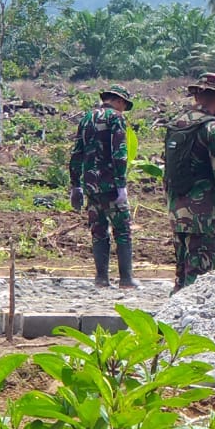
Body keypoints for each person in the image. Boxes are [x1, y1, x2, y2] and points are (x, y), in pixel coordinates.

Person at [164, 72, 215, 290]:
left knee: (181, 278)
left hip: (177, 215)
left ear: (197, 95)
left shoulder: (175, 125)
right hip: (204, 219)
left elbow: (167, 172)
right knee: (201, 286)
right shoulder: (214, 129)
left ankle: (169, 323)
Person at [69, 84, 137, 288]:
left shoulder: (86, 119)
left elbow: (76, 154)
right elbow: (119, 152)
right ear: (119, 101)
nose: (123, 108)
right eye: (124, 104)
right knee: (122, 230)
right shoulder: (116, 118)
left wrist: (76, 185)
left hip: (91, 186)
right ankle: (126, 279)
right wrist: (121, 184)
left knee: (98, 231)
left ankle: (101, 278)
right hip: (110, 186)